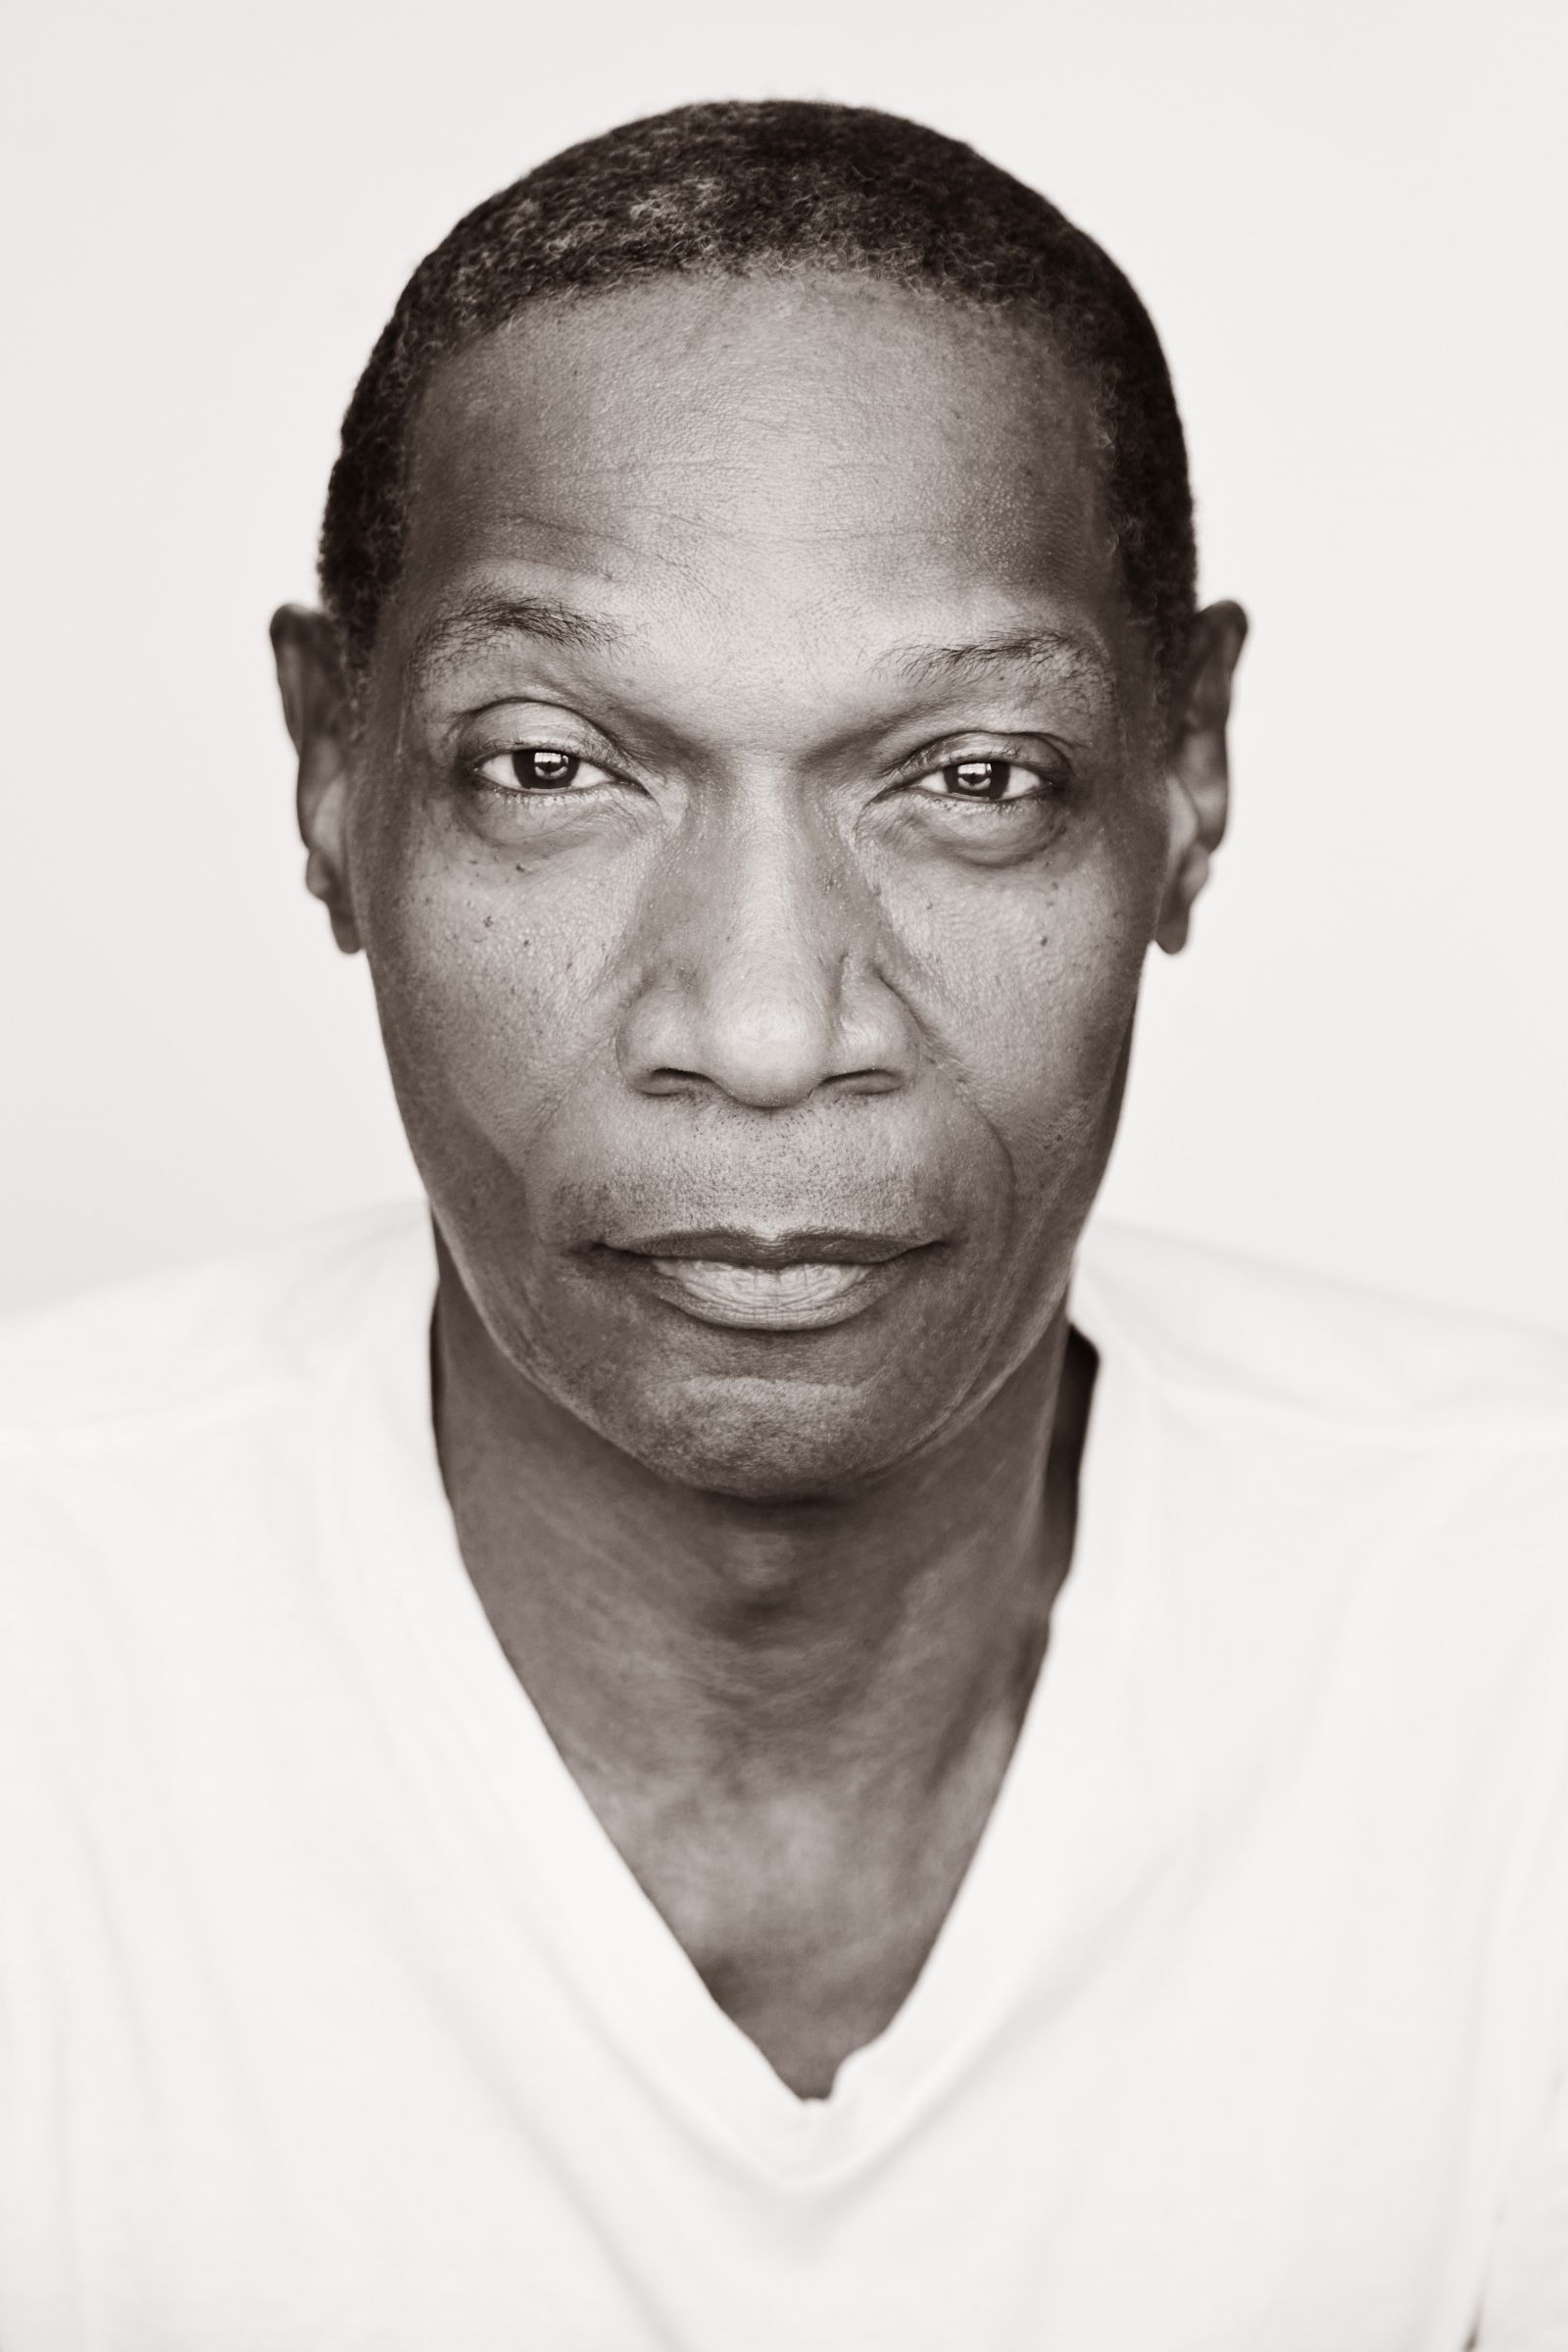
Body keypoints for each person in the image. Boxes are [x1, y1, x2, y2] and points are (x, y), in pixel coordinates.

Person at [0, 97, 1564, 2352]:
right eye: (549, 764)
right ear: (331, 773)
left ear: (1185, 778)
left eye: (970, 779)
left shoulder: (1513, 1652)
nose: (756, 1022)